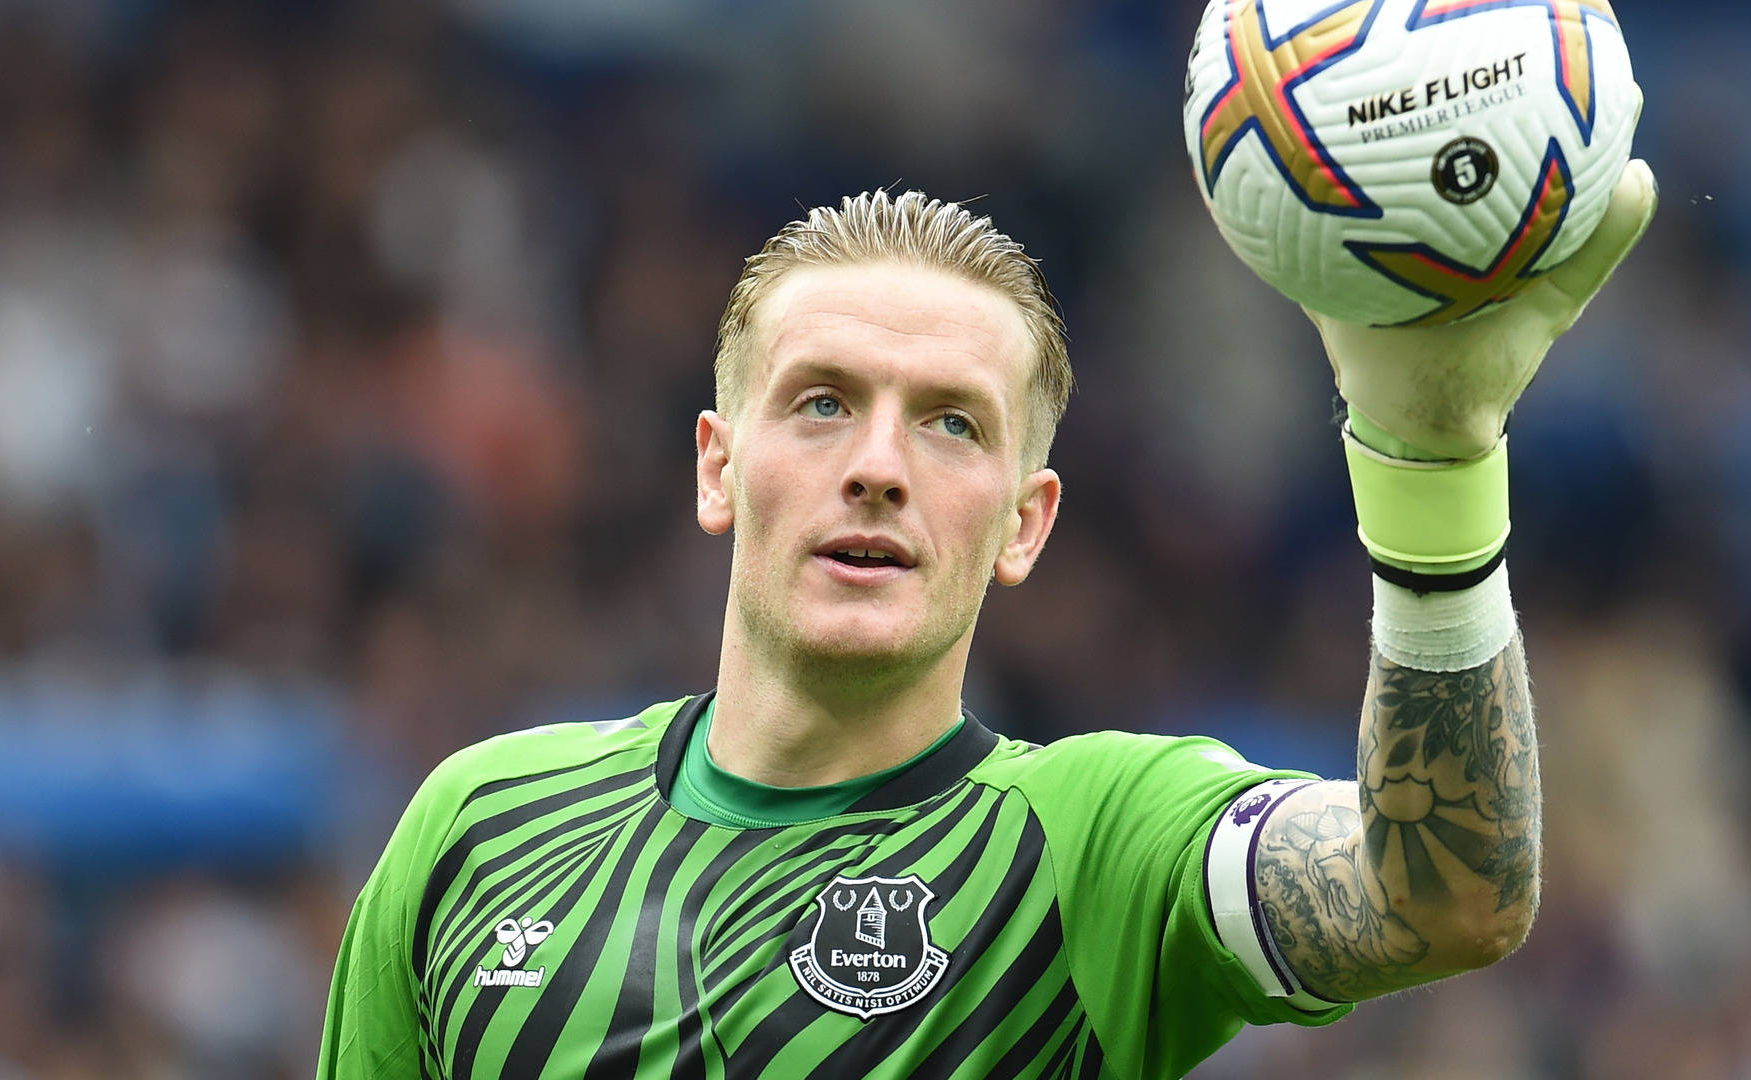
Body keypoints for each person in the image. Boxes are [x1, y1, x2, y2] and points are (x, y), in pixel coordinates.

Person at [318, 166, 1658, 1078]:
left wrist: (1434, 480)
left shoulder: (1089, 843)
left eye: (953, 422)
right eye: (824, 400)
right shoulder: (480, 828)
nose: (880, 464)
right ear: (720, 466)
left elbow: (1447, 897)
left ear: (1025, 522)